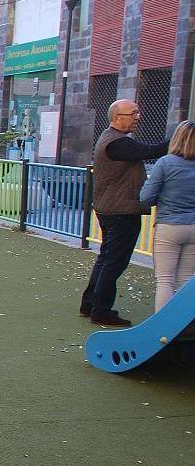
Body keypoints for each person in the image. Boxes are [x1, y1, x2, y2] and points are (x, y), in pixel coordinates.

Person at [82, 99, 171, 326]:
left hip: (111, 207)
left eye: (137, 112)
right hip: (119, 210)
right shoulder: (118, 144)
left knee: (107, 258)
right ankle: (100, 309)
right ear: (117, 118)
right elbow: (153, 151)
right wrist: (181, 140)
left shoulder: (113, 140)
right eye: (133, 113)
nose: (138, 116)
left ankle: (91, 303)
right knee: (114, 261)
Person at [139, 120, 195, 311]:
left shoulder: (165, 163)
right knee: (186, 279)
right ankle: (182, 326)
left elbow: (146, 197)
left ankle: (162, 329)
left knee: (165, 280)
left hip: (169, 224)